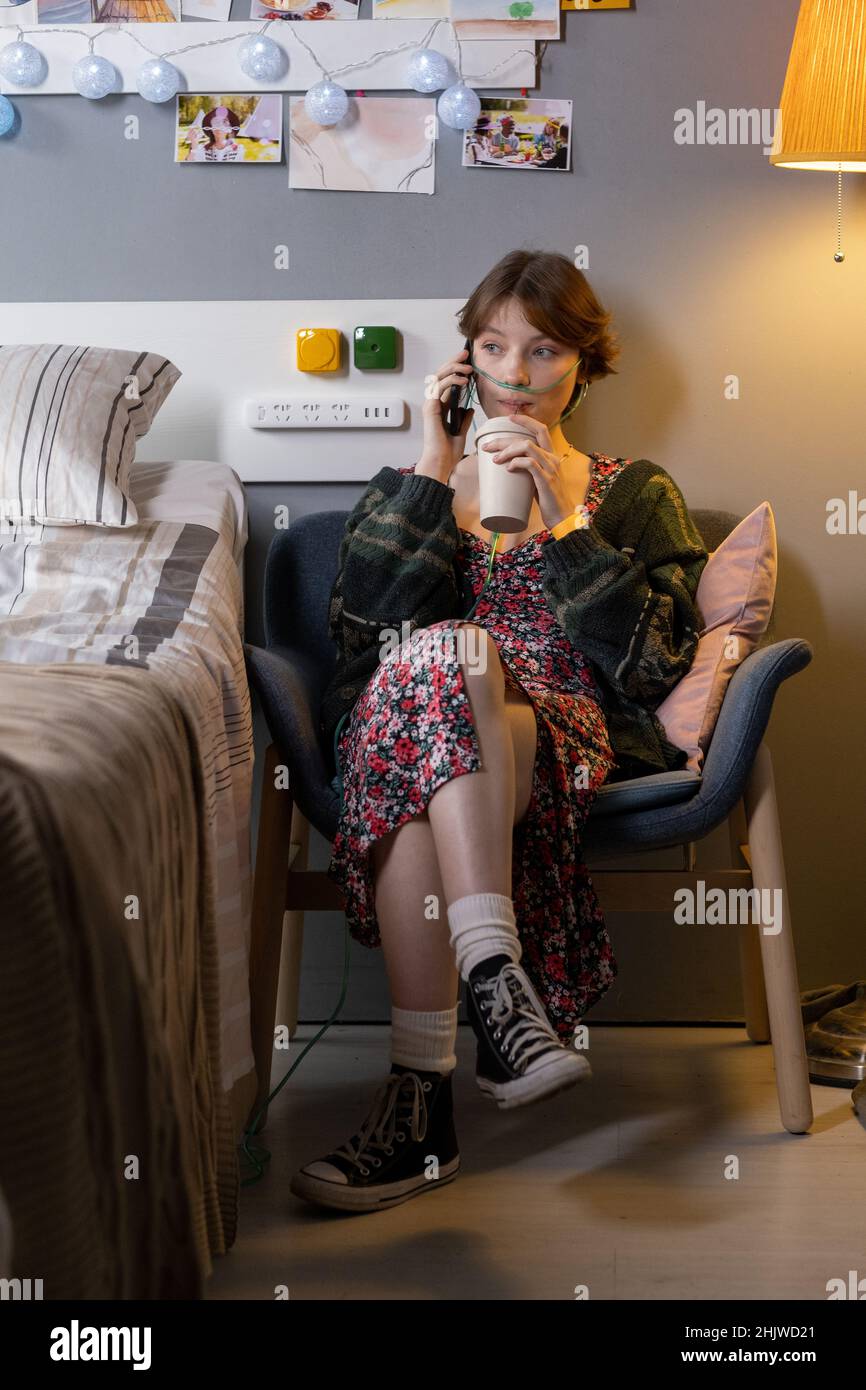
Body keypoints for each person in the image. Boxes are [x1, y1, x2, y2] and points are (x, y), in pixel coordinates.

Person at [290, 248, 709, 1213]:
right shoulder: (418, 482)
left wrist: (565, 520)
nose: (515, 374)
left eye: (545, 349)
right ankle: (498, 981)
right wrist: (435, 467)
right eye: (492, 346)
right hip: (412, 727)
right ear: (466, 359)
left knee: (466, 659)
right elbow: (365, 639)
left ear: (585, 365)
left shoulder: (632, 489)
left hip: (552, 732)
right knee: (446, 661)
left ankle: (418, 1103)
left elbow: (650, 669)